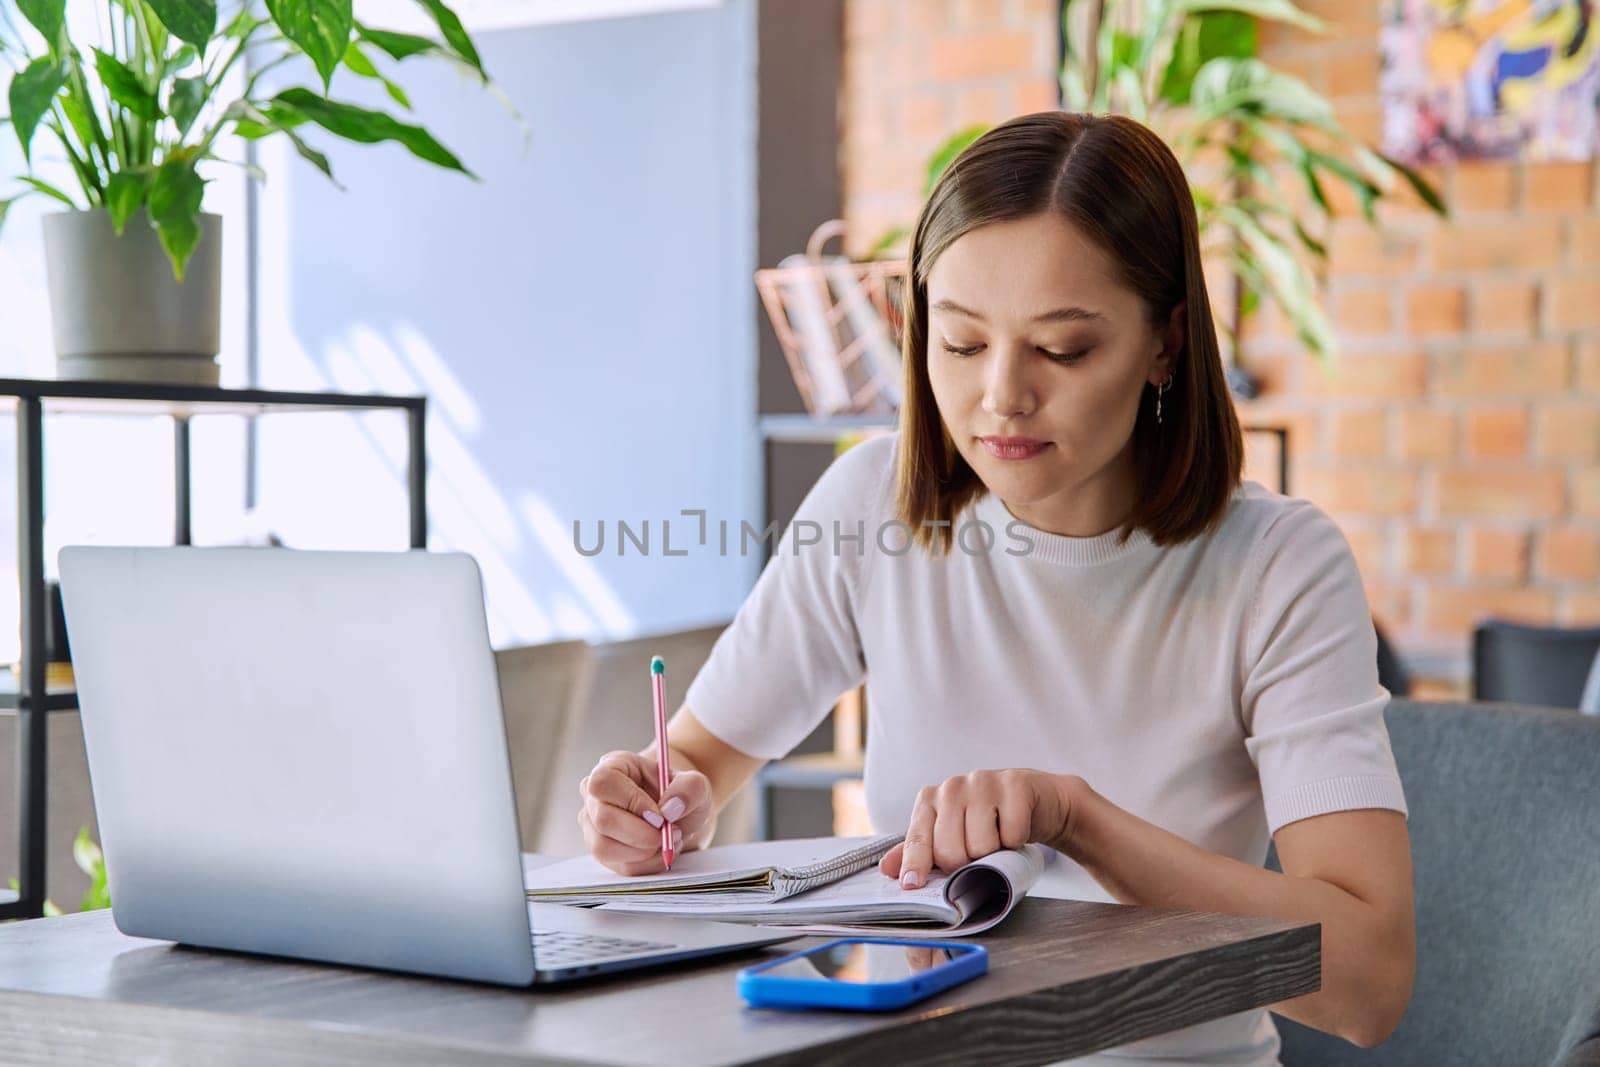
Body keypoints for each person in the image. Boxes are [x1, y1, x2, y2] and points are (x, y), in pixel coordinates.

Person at [576, 111, 1414, 1064]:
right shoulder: (874, 504)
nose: (1002, 396)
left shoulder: (1276, 566)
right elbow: (693, 762)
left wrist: (1079, 821)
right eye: (963, 344)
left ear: (1167, 343)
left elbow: (1369, 984)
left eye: (1062, 349)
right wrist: (654, 808)